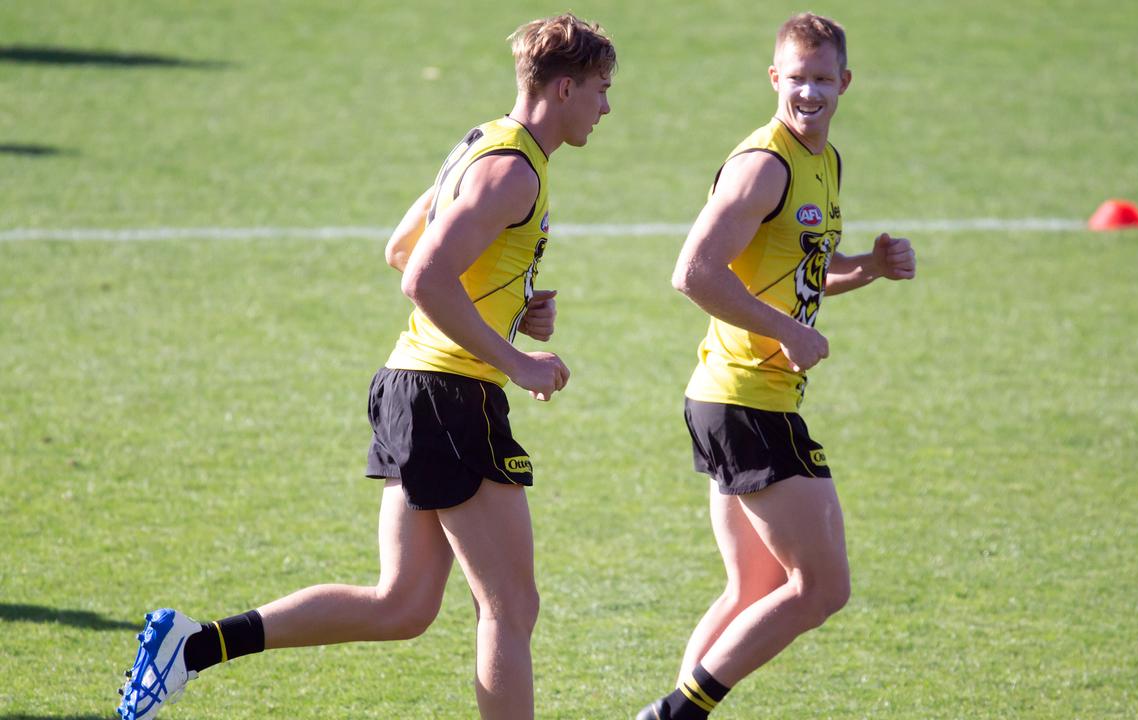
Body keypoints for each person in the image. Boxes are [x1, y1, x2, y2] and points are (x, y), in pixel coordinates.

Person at [117, 13, 614, 720]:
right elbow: (422, 278)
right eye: (600, 88)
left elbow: (401, 247)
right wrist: (516, 359)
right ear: (564, 89)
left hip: (416, 385)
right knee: (511, 606)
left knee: (403, 604)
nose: (606, 106)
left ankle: (192, 647)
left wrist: (516, 302)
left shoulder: (483, 144)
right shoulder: (513, 171)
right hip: (450, 395)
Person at [636, 13, 915, 720]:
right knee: (822, 587)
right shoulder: (765, 164)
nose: (810, 93)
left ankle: (672, 716)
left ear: (845, 82)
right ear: (774, 80)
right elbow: (693, 272)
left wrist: (869, 269)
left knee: (750, 591)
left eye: (823, 80)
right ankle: (674, 714)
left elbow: (803, 271)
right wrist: (785, 329)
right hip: (744, 400)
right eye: (797, 79)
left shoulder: (826, 161)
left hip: (740, 398)